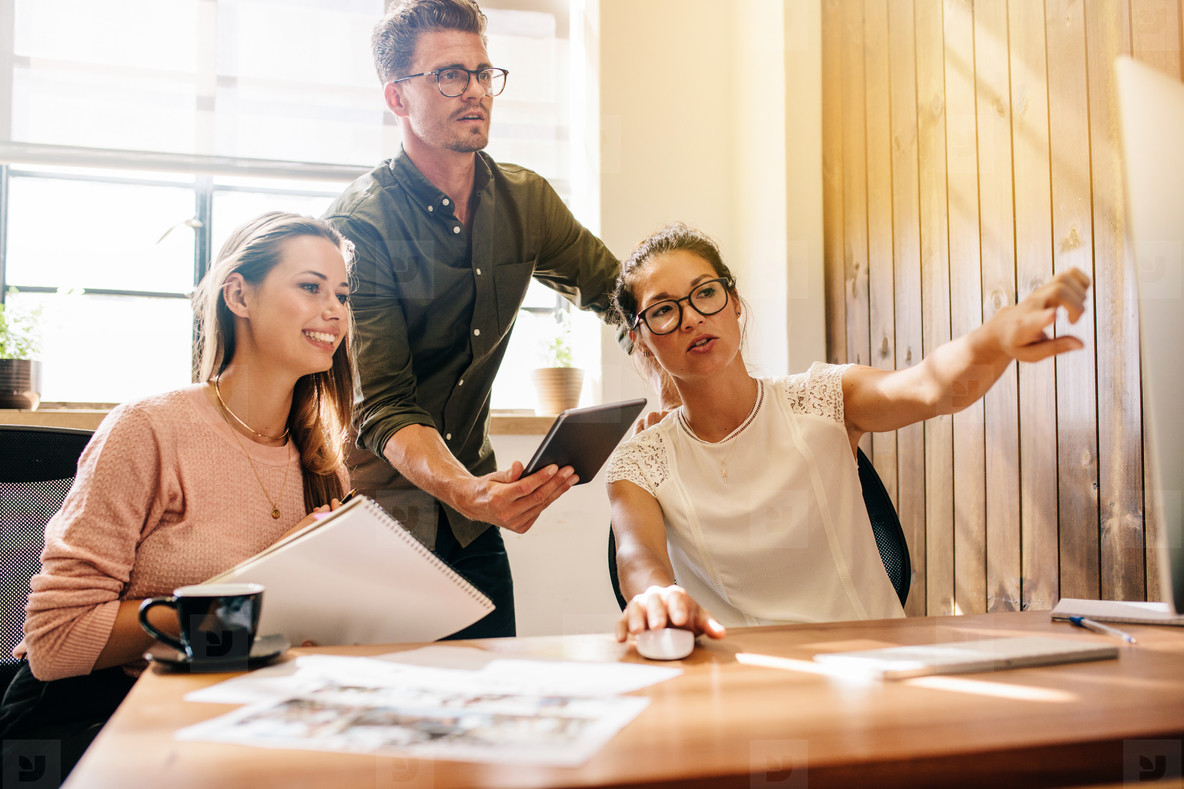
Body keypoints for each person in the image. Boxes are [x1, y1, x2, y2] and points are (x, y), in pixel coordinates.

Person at [605, 223, 1091, 642]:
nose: (692, 316)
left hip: (875, 662)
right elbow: (637, 556)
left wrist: (996, 336)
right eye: (664, 309)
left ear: (733, 303)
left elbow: (931, 387)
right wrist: (656, 598)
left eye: (705, 292)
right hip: (745, 679)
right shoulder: (639, 463)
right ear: (642, 337)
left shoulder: (823, 397)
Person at [0, 212, 355, 781]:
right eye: (310, 287)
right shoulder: (148, 429)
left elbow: (276, 636)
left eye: (341, 293)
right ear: (238, 294)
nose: (335, 310)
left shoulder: (318, 458)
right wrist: (259, 584)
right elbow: (55, 643)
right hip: (96, 720)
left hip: (233, 710)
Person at [325, 0, 621, 639]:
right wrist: (469, 492)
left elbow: (618, 293)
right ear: (398, 98)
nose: (476, 91)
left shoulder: (525, 200)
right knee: (388, 724)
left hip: (470, 513)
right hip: (379, 514)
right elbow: (385, 406)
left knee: (497, 704)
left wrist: (689, 362)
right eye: (450, 75)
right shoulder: (360, 224)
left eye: (484, 73)